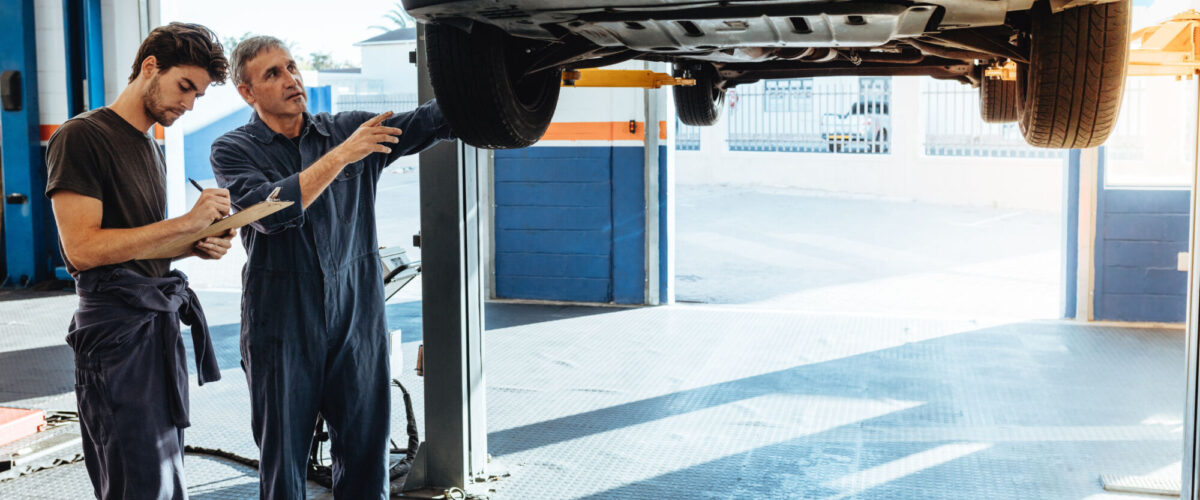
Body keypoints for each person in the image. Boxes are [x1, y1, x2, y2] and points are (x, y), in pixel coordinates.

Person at [210, 36, 453, 499]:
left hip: (356, 321)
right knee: (283, 466)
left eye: (292, 67)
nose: (291, 80)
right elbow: (272, 211)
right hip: (280, 326)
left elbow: (429, 122)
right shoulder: (233, 150)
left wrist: (498, 85)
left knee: (367, 458)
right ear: (247, 92)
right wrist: (343, 155)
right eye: (272, 74)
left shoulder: (348, 127)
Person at [45, 22, 236, 499]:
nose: (189, 104)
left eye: (199, 95)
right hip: (114, 337)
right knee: (136, 482)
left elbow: (134, 242)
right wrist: (187, 224)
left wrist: (195, 244)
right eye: (184, 87)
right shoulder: (81, 137)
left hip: (154, 330)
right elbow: (83, 249)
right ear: (150, 67)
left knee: (165, 477)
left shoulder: (151, 147)